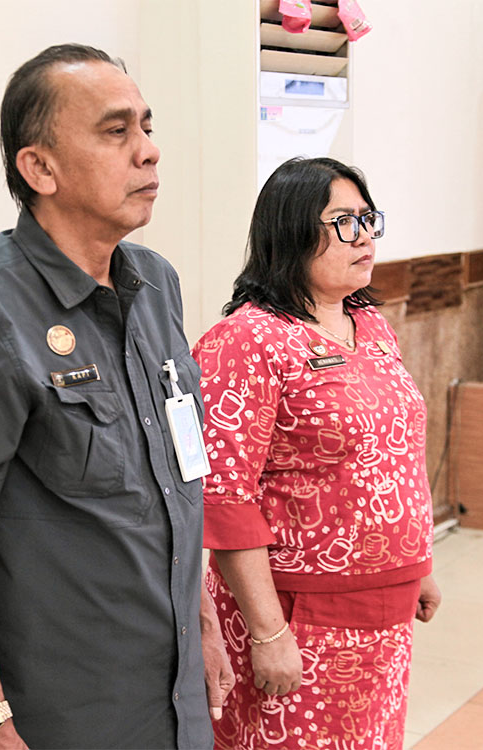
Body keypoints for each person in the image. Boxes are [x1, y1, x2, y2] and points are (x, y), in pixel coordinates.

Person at [0, 44, 232, 750]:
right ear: (40, 168)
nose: (148, 151)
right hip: (60, 714)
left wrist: (203, 626)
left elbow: (175, 489)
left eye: (147, 126)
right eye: (116, 131)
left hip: (172, 700)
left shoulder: (156, 285)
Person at [191, 157, 441, 750]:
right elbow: (225, 498)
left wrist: (421, 564)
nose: (365, 237)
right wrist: (267, 632)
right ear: (292, 231)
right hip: (297, 615)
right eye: (344, 222)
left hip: (386, 610)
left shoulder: (370, 324)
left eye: (368, 219)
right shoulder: (246, 340)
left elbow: (397, 450)